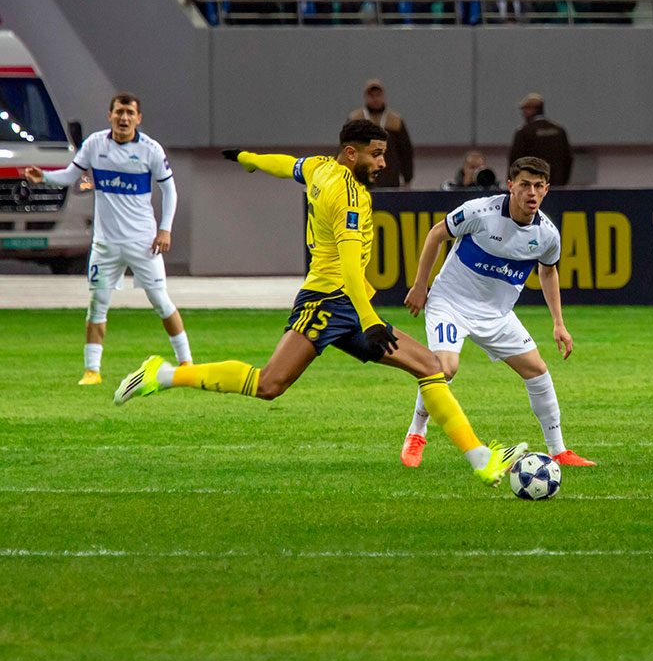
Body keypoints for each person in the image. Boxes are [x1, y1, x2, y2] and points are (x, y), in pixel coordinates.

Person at [112, 121, 529, 487]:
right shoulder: (348, 196)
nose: (383, 163)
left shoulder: (320, 168)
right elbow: (348, 266)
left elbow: (286, 165)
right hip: (328, 302)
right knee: (269, 384)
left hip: (344, 304)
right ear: (351, 153)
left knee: (430, 367)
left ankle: (481, 460)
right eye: (376, 154)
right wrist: (370, 320)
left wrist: (249, 159)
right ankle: (163, 374)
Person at [402, 157, 595, 468]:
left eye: (538, 186)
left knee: (537, 371)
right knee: (445, 368)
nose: (532, 192)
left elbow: (548, 272)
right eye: (525, 185)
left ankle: (559, 451)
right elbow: (437, 233)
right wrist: (420, 286)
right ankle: (416, 432)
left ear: (546, 190)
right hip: (450, 303)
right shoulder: (480, 212)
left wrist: (559, 323)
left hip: (497, 315)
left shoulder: (547, 235)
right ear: (510, 186)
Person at [24, 94, 192, 385]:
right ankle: (92, 371)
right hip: (105, 244)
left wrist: (165, 229)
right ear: (110, 115)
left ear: (138, 118)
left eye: (129, 113)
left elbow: (170, 190)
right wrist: (45, 178)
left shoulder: (150, 149)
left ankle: (186, 362)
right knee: (97, 304)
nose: (124, 118)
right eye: (119, 112)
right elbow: (71, 175)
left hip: (143, 242)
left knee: (161, 301)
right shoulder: (94, 144)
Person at [347, 79, 414, 188]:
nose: (375, 99)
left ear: (383, 97)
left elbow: (405, 151)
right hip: (360, 181)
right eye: (371, 96)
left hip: (389, 181)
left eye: (378, 95)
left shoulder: (394, 120)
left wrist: (408, 178)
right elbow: (345, 149)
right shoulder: (355, 119)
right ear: (365, 97)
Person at [509, 93, 572, 185]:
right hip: (557, 184)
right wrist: (563, 181)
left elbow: (516, 160)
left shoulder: (524, 132)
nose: (523, 113)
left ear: (532, 110)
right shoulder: (559, 130)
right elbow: (568, 158)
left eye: (525, 109)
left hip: (533, 185)